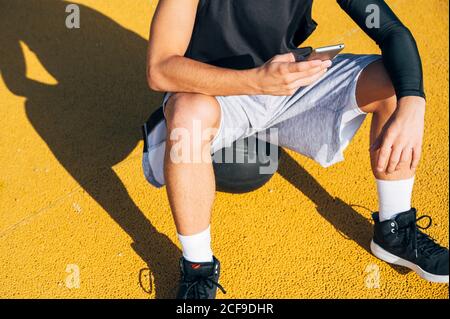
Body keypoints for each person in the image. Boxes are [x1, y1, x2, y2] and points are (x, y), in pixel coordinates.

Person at [144, 0, 449, 299]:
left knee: (393, 80)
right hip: (215, 90)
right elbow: (160, 68)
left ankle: (393, 229)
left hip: (283, 82)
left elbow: (391, 32)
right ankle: (198, 266)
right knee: (187, 114)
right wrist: (254, 81)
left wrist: (412, 102)